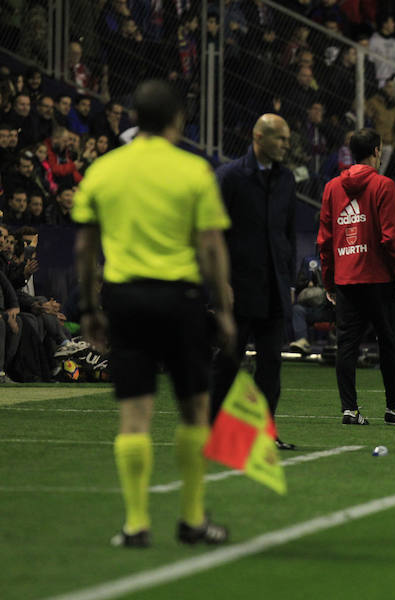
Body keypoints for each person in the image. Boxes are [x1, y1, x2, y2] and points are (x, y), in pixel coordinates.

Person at [72, 79, 236, 548]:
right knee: (193, 410)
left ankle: (136, 524)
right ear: (177, 120)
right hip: (180, 300)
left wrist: (87, 306)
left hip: (124, 299)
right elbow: (210, 245)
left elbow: (85, 245)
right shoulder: (193, 170)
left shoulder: (104, 170)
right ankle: (191, 520)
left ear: (133, 119)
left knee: (134, 415)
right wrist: (222, 310)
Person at [209, 114, 297, 451]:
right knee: (228, 361)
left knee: (271, 365)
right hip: (238, 287)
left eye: (287, 140)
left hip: (274, 287)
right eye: (281, 139)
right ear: (258, 137)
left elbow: (287, 233)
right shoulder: (230, 177)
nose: (286, 146)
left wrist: (288, 280)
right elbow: (213, 233)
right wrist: (222, 282)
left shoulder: (286, 179)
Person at [317, 128, 395, 426]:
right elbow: (390, 237)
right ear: (377, 150)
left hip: (346, 279)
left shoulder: (332, 187)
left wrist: (328, 280)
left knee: (346, 346)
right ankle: (394, 409)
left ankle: (350, 410)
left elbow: (325, 239)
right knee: (388, 343)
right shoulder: (384, 185)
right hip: (378, 278)